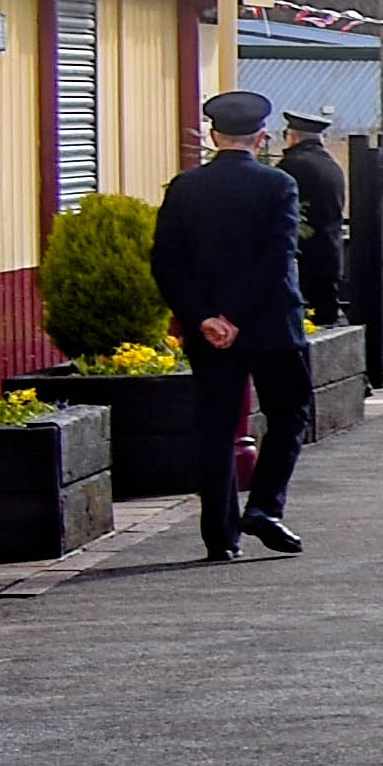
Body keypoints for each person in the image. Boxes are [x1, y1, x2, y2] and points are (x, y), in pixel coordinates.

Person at [151, 86, 313, 563]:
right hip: (271, 324)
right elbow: (278, 258)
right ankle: (263, 506)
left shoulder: (184, 188)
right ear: (261, 138)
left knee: (216, 426)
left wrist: (205, 317)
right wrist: (237, 316)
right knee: (289, 413)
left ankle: (219, 536)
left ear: (212, 135)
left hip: (210, 334)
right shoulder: (278, 186)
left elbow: (167, 261)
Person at [276, 112, 351, 329]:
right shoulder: (331, 165)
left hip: (303, 251)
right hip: (330, 246)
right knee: (326, 309)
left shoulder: (292, 166)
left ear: (292, 137)